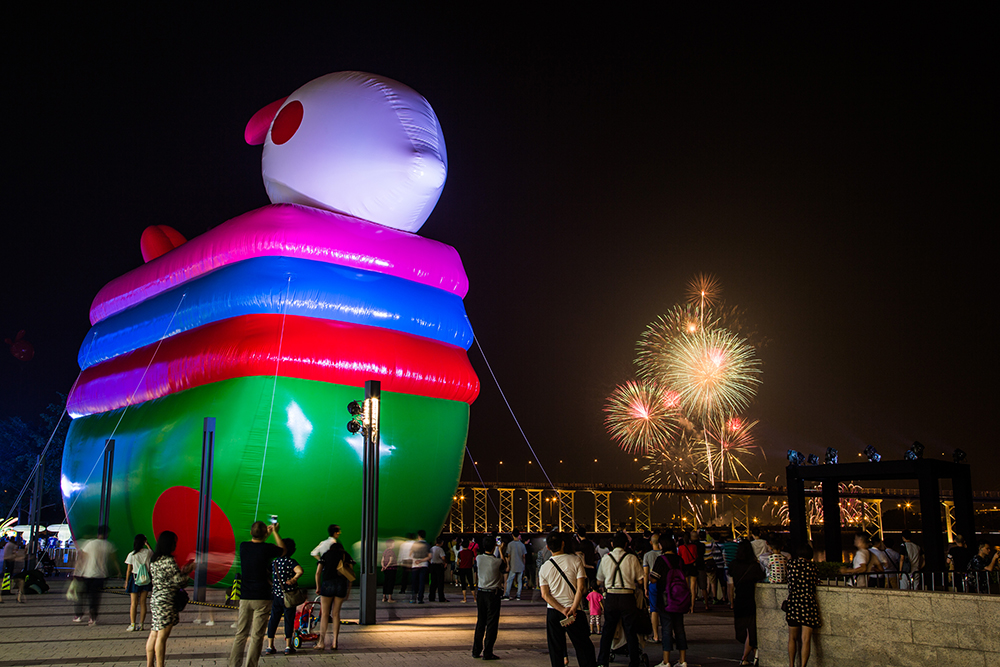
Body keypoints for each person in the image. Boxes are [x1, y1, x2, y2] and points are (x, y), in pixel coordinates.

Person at [228, 520, 285, 667]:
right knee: (257, 636)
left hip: (245, 596)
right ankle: (250, 665)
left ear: (250, 533)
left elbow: (256, 543)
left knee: (241, 634)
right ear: (265, 533)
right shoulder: (267, 548)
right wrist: (275, 532)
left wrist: (264, 533)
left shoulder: (243, 546)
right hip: (262, 596)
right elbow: (282, 549)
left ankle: (234, 664)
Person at [538, 532, 597, 667]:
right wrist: (573, 608)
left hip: (554, 612)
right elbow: (581, 588)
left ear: (548, 547)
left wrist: (561, 609)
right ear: (563, 544)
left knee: (556, 649)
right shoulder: (575, 560)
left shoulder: (544, 568)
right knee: (584, 648)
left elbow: (545, 595)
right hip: (574, 611)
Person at [145, 531, 195, 667]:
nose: (175, 545)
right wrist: (190, 570)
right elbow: (179, 581)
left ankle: (149, 664)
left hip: (155, 598)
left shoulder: (154, 559)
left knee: (154, 633)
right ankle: (160, 665)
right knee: (162, 636)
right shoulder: (168, 560)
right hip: (166, 600)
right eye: (174, 543)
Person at [596, 533, 645, 667]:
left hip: (611, 596)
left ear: (612, 544)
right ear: (625, 544)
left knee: (608, 631)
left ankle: (602, 661)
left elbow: (599, 580)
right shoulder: (632, 558)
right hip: (627, 596)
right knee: (630, 630)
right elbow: (641, 580)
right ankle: (634, 661)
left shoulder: (606, 559)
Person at [650, 539, 689, 667]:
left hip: (665, 599)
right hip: (680, 598)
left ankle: (666, 661)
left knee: (666, 629)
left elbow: (654, 579)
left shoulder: (661, 560)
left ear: (662, 546)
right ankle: (682, 660)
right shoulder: (679, 560)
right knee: (680, 628)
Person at [73, 525, 120, 625]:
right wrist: (119, 571)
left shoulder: (89, 543)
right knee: (95, 597)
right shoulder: (109, 545)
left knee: (81, 596)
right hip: (101, 575)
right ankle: (92, 618)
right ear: (106, 534)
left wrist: (76, 572)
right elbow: (114, 560)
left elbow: (82, 559)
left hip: (87, 574)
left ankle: (79, 615)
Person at [265, 538, 303, 656]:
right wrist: (293, 579)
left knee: (273, 620)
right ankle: (288, 646)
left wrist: (273, 585)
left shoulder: (274, 562)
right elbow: (300, 571)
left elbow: (266, 574)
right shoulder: (291, 562)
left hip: (277, 596)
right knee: (288, 620)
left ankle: (270, 645)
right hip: (289, 597)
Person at [315, 535, 353, 649]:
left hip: (327, 584)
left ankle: (321, 642)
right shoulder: (345, 555)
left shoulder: (326, 555)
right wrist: (348, 591)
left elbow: (318, 572)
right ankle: (335, 642)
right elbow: (350, 575)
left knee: (325, 614)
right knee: (336, 614)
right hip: (341, 585)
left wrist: (318, 587)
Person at [786, 543, 821, 667]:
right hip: (808, 603)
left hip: (794, 602)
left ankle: (791, 664)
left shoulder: (790, 565)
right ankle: (803, 665)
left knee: (792, 638)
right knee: (806, 640)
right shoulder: (812, 567)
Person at [731, 540, 765, 666]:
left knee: (741, 630)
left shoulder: (734, 565)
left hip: (739, 599)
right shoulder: (754, 566)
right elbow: (761, 577)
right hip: (751, 600)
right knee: (751, 630)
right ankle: (753, 655)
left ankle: (746, 657)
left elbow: (730, 583)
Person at [472, 536, 503, 660]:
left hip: (481, 593)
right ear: (494, 546)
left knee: (481, 622)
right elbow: (505, 566)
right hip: (493, 594)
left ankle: (476, 650)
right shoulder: (497, 561)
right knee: (491, 624)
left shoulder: (478, 558)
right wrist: (500, 549)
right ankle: (488, 652)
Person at [124, 533, 153, 631]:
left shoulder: (131, 554)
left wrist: (126, 582)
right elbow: (152, 552)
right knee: (143, 603)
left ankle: (132, 624)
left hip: (135, 578)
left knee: (133, 603)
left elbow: (128, 570)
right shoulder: (148, 553)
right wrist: (148, 544)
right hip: (146, 579)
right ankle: (141, 624)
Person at [642, 532, 663, 643]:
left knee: (654, 610)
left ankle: (655, 635)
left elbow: (646, 573)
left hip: (652, 584)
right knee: (666, 609)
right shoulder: (664, 554)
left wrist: (645, 587)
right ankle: (668, 633)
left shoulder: (647, 555)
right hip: (664, 583)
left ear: (651, 542)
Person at [409, 529, 431, 603]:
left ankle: (413, 598)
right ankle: (420, 598)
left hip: (415, 565)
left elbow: (410, 554)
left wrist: (415, 560)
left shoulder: (415, 544)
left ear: (418, 536)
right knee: (422, 583)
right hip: (424, 565)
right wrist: (421, 560)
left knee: (414, 582)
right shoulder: (427, 545)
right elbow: (429, 556)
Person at [505, 530, 527, 600]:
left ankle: (507, 594)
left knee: (509, 580)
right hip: (520, 565)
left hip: (513, 565)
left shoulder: (510, 544)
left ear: (512, 535)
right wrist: (524, 565)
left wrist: (508, 565)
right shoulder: (522, 545)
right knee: (519, 580)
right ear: (519, 535)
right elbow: (524, 556)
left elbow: (509, 556)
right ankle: (518, 595)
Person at [429, 536, 449, 602]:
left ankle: (431, 597)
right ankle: (441, 597)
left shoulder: (431, 548)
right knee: (440, 582)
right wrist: (444, 562)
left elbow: (429, 558)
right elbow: (443, 557)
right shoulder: (440, 549)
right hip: (439, 566)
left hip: (432, 566)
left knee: (433, 582)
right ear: (441, 543)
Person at [457, 539, 476, 603]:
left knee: (463, 583)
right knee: (471, 583)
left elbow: (457, 562)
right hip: (469, 568)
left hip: (462, 568)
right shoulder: (471, 552)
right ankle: (475, 598)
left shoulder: (460, 553)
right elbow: (473, 562)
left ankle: (464, 599)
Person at [381, 538, 397, 603]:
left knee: (385, 582)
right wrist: (387, 566)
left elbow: (382, 560)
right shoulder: (391, 552)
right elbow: (390, 561)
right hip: (391, 569)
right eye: (393, 544)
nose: (394, 545)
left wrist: (383, 566)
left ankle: (384, 597)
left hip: (386, 570)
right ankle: (390, 598)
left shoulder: (385, 551)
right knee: (390, 583)